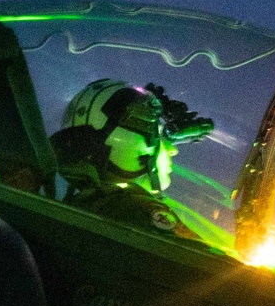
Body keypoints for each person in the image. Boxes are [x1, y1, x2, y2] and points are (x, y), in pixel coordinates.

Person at [50, 79, 212, 236]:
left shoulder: (85, 206)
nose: (173, 150)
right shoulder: (137, 211)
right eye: (158, 135)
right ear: (127, 142)